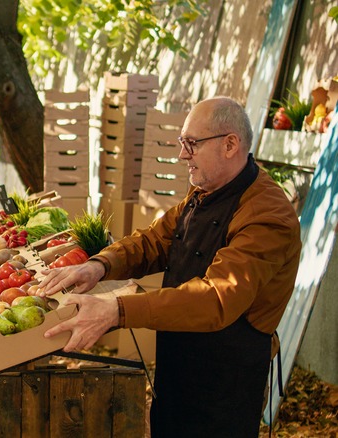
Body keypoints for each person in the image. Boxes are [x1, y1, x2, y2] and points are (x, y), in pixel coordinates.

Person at [38, 96, 301, 437]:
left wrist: (116, 311)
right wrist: (100, 265)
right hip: (179, 363)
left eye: (192, 143)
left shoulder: (267, 215)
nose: (181, 155)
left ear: (230, 144)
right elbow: (155, 241)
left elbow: (216, 298)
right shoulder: (204, 193)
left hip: (224, 386)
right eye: (181, 143)